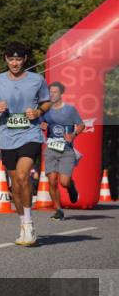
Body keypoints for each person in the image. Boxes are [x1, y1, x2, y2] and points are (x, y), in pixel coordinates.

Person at [0, 42, 51, 247]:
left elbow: (46, 102)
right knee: (15, 185)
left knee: (23, 176)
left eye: (18, 59)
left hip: (31, 134)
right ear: (5, 59)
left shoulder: (37, 80)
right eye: (11, 59)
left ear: (25, 60)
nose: (15, 63)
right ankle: (22, 223)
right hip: (7, 137)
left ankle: (29, 224)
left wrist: (38, 112)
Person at [41, 81, 85, 221]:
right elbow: (40, 123)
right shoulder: (46, 110)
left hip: (66, 150)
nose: (52, 94)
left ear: (61, 93)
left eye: (55, 92)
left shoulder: (70, 110)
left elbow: (81, 125)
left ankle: (71, 187)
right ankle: (58, 210)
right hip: (51, 149)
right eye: (50, 92)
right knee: (52, 180)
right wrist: (41, 125)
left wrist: (73, 135)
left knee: (64, 182)